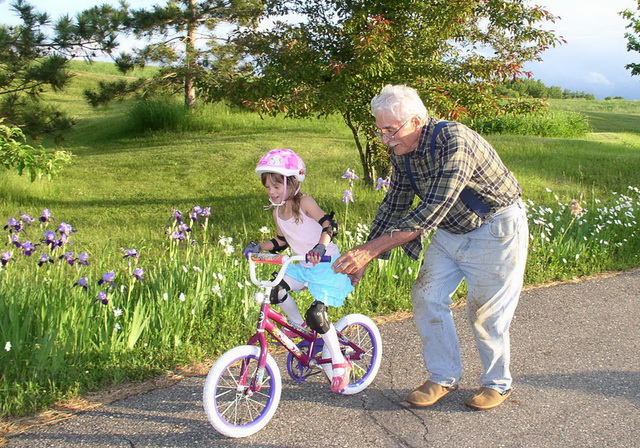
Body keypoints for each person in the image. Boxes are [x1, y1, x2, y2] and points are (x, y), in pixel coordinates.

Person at [333, 85, 528, 410]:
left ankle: (497, 383)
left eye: (390, 130)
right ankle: (443, 377)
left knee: (485, 314)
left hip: (495, 229)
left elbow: (431, 210)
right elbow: (395, 203)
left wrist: (371, 250)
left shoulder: (455, 141)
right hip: (452, 230)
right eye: (380, 130)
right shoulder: (402, 152)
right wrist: (366, 254)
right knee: (426, 295)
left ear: (416, 122)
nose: (385, 139)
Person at [244, 148, 355, 393]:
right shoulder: (277, 211)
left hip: (326, 266)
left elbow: (329, 225)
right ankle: (300, 328)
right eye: (268, 188)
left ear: (292, 182)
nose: (272, 192)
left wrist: (319, 247)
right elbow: (281, 242)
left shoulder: (305, 202)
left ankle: (339, 363)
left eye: (277, 186)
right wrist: (258, 247)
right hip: (302, 266)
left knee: (317, 315)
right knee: (275, 290)